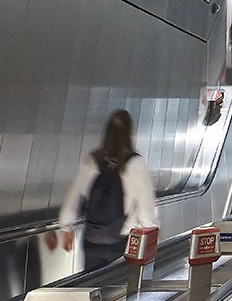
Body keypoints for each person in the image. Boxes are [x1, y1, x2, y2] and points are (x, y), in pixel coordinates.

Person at [48, 109, 158, 273]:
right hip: (122, 241)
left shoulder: (92, 161)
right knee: (118, 291)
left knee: (93, 287)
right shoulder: (136, 164)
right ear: (129, 133)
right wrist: (153, 234)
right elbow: (146, 210)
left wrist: (66, 228)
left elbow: (72, 198)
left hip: (92, 240)